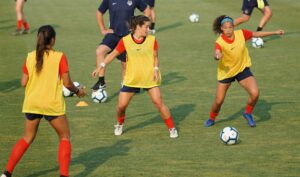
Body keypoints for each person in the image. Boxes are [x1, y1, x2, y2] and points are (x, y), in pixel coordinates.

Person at [1, 25, 86, 177]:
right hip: (51, 104)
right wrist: (78, 91)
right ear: (53, 40)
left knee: (27, 138)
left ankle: (6, 173)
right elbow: (67, 83)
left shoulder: (30, 56)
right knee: (65, 137)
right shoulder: (59, 56)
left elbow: (23, 82)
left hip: (32, 102)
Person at [92, 15, 178, 138]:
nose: (148, 29)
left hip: (149, 78)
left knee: (159, 103)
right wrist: (100, 66)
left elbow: (155, 57)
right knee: (121, 106)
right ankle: (120, 124)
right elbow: (112, 54)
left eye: (149, 27)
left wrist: (155, 69)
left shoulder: (152, 40)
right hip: (132, 79)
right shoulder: (125, 41)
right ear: (137, 26)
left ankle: (172, 128)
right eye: (146, 27)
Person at [204, 15, 284, 127]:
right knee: (219, 101)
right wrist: (218, 55)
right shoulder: (219, 41)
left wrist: (275, 32)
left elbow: (257, 34)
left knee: (255, 93)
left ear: (233, 27)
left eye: (230, 27)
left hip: (242, 69)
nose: (228, 30)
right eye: (225, 27)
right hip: (226, 72)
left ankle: (247, 113)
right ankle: (212, 118)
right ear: (221, 28)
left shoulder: (241, 33)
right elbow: (216, 52)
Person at [91, 0, 150, 93]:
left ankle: (126, 84)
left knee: (125, 64)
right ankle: (101, 81)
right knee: (100, 51)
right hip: (113, 34)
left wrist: (142, 27)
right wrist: (103, 29)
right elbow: (99, 12)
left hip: (127, 36)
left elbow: (147, 9)